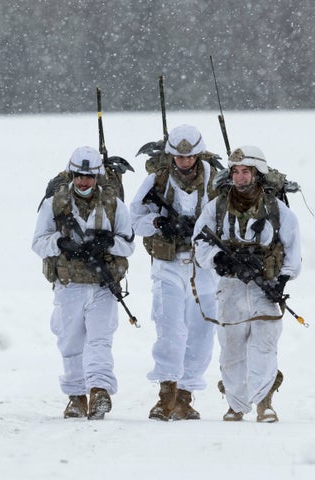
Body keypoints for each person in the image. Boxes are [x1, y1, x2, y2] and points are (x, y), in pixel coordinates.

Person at [193, 145, 301, 422]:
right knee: (231, 348)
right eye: (236, 171)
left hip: (265, 285)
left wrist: (281, 282)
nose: (240, 178)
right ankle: (236, 404)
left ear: (258, 173)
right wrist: (220, 260)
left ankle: (265, 402)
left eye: (246, 172)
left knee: (264, 346)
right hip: (230, 287)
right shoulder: (216, 207)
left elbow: (292, 251)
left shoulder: (277, 210)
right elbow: (200, 244)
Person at [32, 146, 135, 420]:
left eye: (89, 177)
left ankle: (99, 391)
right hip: (69, 284)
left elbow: (129, 244)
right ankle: (76, 396)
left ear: (98, 176)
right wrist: (60, 243)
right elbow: (38, 242)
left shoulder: (114, 204)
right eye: (78, 176)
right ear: (72, 174)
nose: (83, 182)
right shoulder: (54, 203)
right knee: (70, 341)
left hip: (103, 285)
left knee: (100, 339)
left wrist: (109, 242)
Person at [129, 124, 219, 421]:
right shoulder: (158, 179)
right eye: (179, 157)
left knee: (202, 330)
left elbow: (226, 217)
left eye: (190, 156)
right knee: (169, 328)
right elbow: (134, 218)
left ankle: (186, 396)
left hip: (203, 265)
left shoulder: (215, 180)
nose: (184, 162)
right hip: (167, 263)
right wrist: (159, 223)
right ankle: (166, 393)